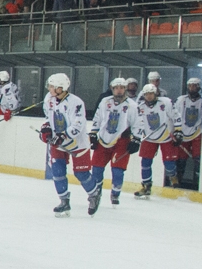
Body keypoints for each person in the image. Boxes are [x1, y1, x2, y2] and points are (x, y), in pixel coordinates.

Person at [38, 73, 100, 216]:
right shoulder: (49, 99)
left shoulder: (76, 102)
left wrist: (63, 135)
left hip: (77, 143)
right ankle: (64, 201)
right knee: (57, 172)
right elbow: (48, 118)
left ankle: (94, 193)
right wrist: (46, 128)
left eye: (52, 86)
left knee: (81, 173)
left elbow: (78, 124)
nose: (49, 89)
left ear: (61, 88)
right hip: (58, 143)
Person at [88, 77, 135, 206]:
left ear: (125, 89)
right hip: (103, 139)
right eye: (116, 88)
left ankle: (115, 193)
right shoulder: (105, 101)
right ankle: (96, 192)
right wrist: (93, 133)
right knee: (96, 169)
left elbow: (137, 123)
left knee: (118, 171)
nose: (119, 90)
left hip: (122, 141)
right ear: (112, 89)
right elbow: (97, 118)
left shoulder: (132, 105)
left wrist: (136, 139)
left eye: (122, 88)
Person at [131, 83, 180, 197]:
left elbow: (176, 116)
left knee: (168, 164)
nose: (149, 96)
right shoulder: (140, 107)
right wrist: (135, 136)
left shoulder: (166, 102)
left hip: (165, 136)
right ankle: (146, 186)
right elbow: (136, 123)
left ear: (155, 94)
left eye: (151, 94)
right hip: (149, 137)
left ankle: (173, 175)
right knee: (145, 162)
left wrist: (178, 131)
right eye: (146, 94)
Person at [172, 76, 202, 190]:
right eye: (190, 86)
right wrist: (175, 130)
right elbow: (174, 115)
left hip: (197, 133)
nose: (192, 88)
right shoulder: (181, 100)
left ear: (199, 87)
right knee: (180, 160)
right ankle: (178, 182)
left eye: (194, 86)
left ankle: (197, 184)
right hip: (182, 133)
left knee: (198, 159)